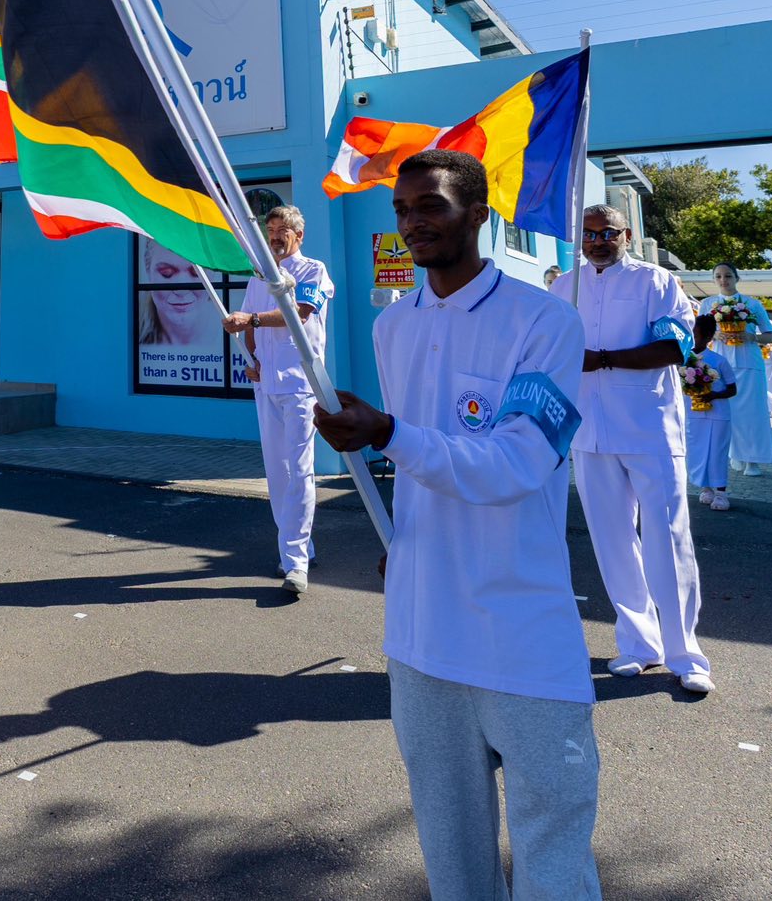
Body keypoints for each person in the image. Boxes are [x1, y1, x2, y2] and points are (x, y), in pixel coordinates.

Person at [315, 150, 601, 900]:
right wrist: (410, 536)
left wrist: (385, 433)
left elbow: (514, 464)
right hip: (422, 637)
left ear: (479, 213)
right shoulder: (392, 327)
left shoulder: (546, 321)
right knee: (454, 861)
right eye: (403, 210)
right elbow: (423, 465)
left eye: (431, 206)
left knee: (555, 856)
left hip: (522, 634)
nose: (413, 223)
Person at [551, 207, 714, 696]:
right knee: (612, 541)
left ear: (627, 235)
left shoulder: (657, 282)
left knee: (668, 538)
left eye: (607, 234)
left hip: (648, 428)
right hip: (589, 432)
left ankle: (685, 652)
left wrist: (600, 361)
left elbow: (673, 349)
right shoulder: (564, 288)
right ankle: (639, 644)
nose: (598, 242)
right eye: (589, 234)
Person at [221, 204, 334, 596]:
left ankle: (296, 562)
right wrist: (252, 359)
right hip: (266, 384)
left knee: (301, 470)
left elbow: (298, 313)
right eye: (270, 230)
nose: (274, 237)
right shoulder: (260, 275)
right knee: (278, 473)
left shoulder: (313, 271)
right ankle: (297, 549)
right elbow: (250, 321)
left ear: (298, 235)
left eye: (282, 230)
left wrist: (249, 321)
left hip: (301, 385)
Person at [699, 265, 772, 476]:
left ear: (736, 278)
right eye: (718, 276)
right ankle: (735, 453)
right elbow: (698, 334)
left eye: (727, 276)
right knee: (726, 411)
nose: (723, 280)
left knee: (753, 412)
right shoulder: (707, 304)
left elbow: (770, 336)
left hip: (749, 363)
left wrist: (752, 337)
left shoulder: (752, 304)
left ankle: (753, 460)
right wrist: (715, 336)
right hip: (721, 364)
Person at [682, 312, 739, 510]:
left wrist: (713, 395)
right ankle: (705, 488)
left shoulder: (718, 360)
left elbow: (733, 389)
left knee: (717, 452)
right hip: (693, 415)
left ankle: (721, 493)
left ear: (707, 337)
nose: (692, 339)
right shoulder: (683, 359)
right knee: (697, 451)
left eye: (696, 335)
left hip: (718, 414)